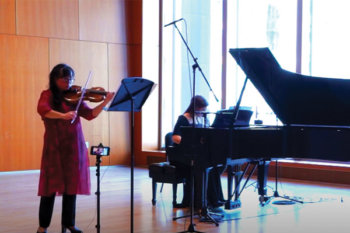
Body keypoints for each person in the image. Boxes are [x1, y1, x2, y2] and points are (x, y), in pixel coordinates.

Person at [36, 64, 114, 233]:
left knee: (71, 186)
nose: (68, 82)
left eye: (71, 78)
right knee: (49, 189)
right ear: (55, 79)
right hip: (54, 147)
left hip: (73, 146)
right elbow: (43, 110)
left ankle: (69, 223)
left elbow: (90, 115)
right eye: (64, 79)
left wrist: (106, 102)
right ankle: (43, 227)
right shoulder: (47, 95)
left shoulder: (75, 97)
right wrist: (63, 116)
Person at [170, 95, 225, 209]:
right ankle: (202, 201)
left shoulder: (204, 119)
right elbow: (175, 137)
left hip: (198, 153)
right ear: (195, 107)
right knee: (204, 166)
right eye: (202, 109)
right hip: (183, 155)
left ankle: (214, 199)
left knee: (213, 167)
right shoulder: (184, 118)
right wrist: (189, 144)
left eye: (205, 109)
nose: (204, 111)